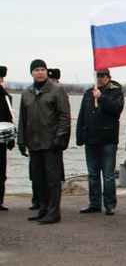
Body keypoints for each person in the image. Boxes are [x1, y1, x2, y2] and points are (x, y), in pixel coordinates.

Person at [17, 59, 71, 224]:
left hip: (51, 143)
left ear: (46, 71)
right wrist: (21, 141)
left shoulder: (57, 90)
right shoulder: (27, 93)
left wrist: (60, 137)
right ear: (31, 73)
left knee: (52, 180)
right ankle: (43, 209)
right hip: (34, 143)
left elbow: (64, 116)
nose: (40, 72)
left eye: (42, 69)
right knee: (38, 178)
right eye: (36, 70)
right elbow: (23, 119)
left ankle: (53, 212)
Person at [76, 68, 125, 215]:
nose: (99, 79)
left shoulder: (116, 93)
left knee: (108, 175)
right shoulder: (88, 93)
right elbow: (82, 115)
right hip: (90, 139)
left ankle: (110, 204)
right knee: (93, 174)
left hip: (108, 139)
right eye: (97, 76)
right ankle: (94, 203)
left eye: (102, 76)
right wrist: (80, 137)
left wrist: (101, 97)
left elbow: (116, 109)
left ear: (108, 77)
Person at [0, 66, 13, 211]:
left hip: (1, 139)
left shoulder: (6, 97)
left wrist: (10, 139)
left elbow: (9, 118)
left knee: (1, 172)